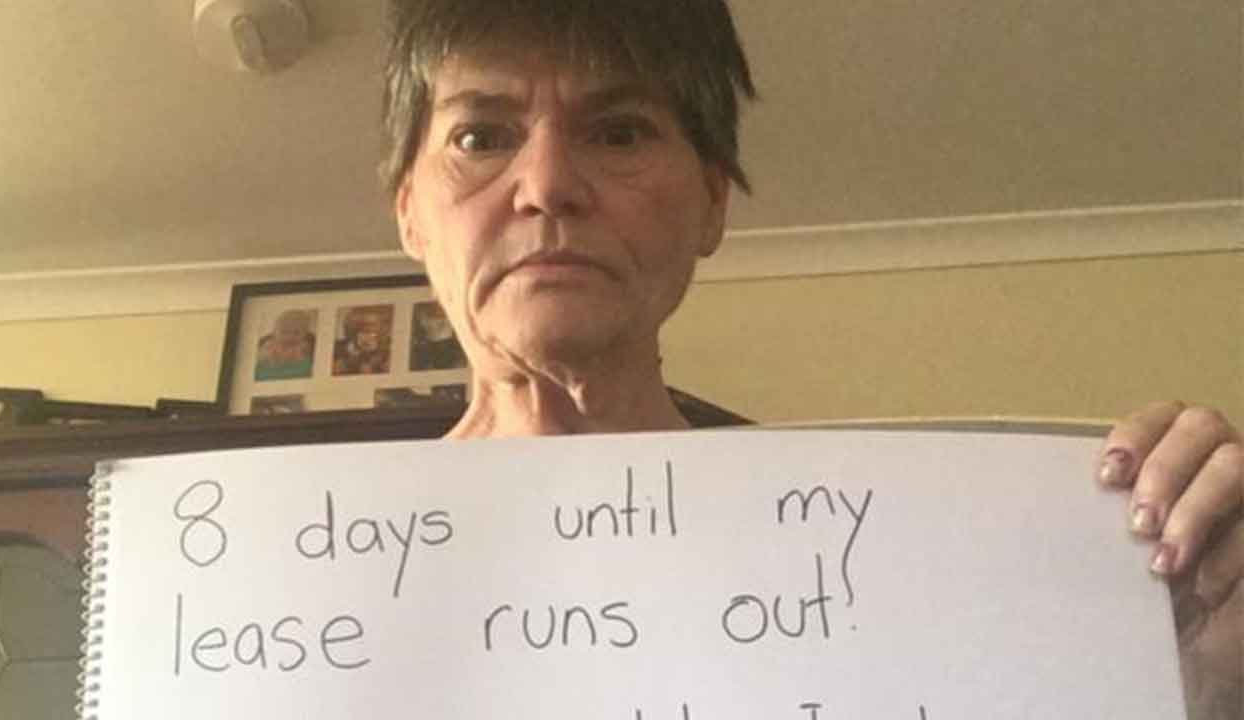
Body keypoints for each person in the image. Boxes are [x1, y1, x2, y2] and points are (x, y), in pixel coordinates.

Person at [378, 1, 1241, 717]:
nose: (546, 185)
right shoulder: (308, 582)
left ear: (711, 202)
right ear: (409, 209)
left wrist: (1199, 679)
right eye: (480, 137)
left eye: (619, 132)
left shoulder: (921, 549)